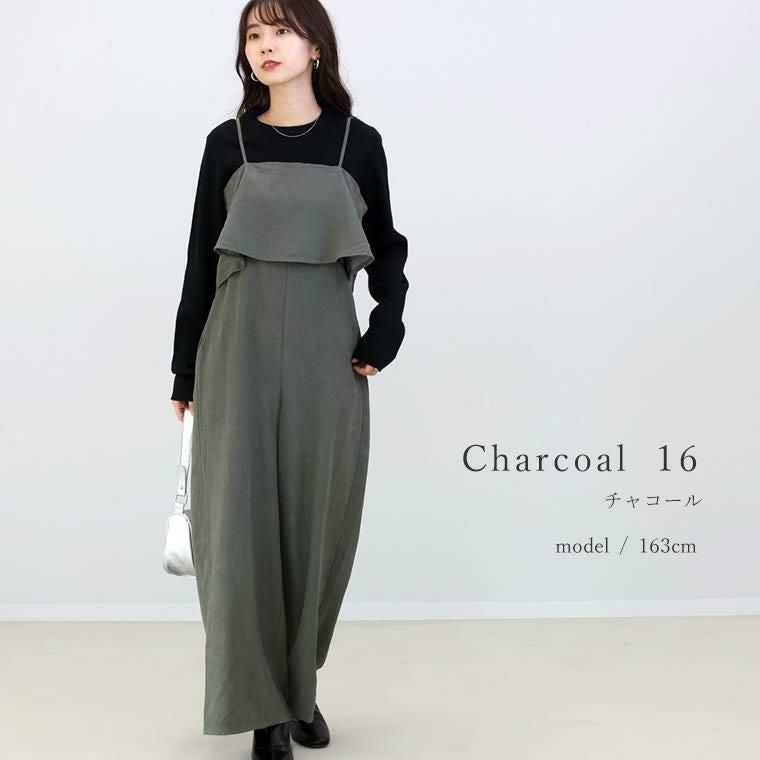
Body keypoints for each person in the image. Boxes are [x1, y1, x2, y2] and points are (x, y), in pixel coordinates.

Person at [168, 1, 409, 758]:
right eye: (254, 34)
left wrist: (386, 329)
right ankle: (265, 712)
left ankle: (299, 686)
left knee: (316, 521)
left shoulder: (359, 144)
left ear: (316, 47)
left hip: (326, 350)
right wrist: (184, 368)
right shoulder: (227, 142)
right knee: (238, 528)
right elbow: (199, 258)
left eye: (282, 31)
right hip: (234, 348)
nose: (265, 45)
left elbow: (388, 248)